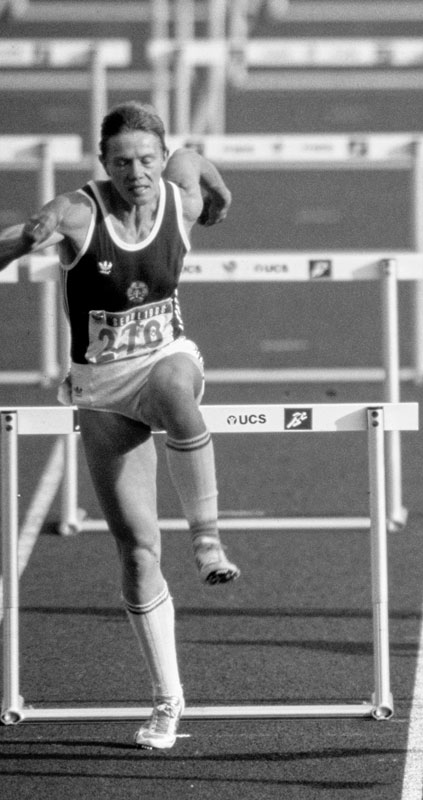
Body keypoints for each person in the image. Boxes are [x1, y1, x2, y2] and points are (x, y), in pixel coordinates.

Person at [0, 101, 239, 748]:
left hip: (166, 360)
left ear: (162, 160)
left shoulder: (179, 193)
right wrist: (29, 234)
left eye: (147, 159)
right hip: (102, 389)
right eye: (122, 161)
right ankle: (167, 701)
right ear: (102, 164)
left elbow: (201, 171)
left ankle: (208, 542)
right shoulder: (78, 213)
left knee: (173, 387)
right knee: (135, 552)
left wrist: (218, 197)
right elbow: (26, 236)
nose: (136, 172)